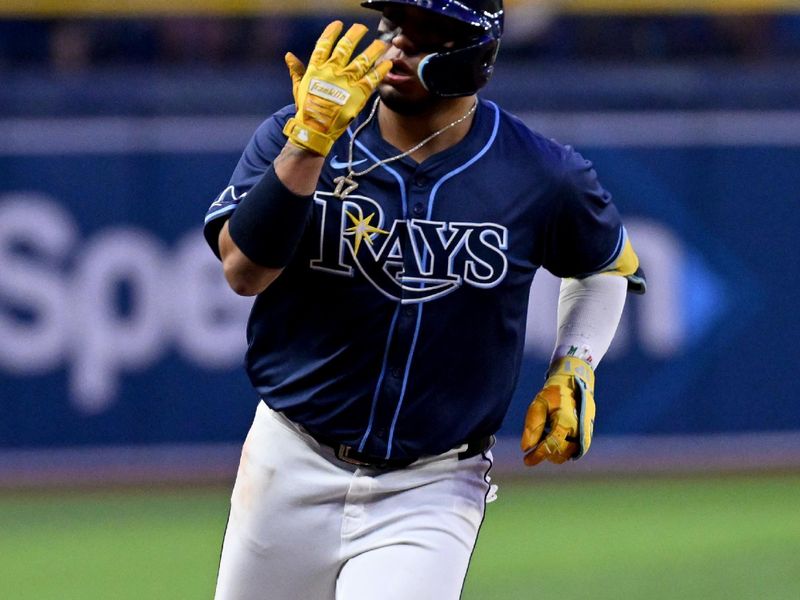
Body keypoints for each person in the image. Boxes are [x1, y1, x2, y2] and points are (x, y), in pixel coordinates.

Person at [203, 1, 645, 598]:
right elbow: (243, 271)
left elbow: (603, 265)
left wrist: (575, 363)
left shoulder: (542, 174)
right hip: (290, 460)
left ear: (474, 53)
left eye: (426, 33)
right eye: (394, 27)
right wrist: (307, 144)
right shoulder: (300, 129)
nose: (398, 45)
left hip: (432, 485)